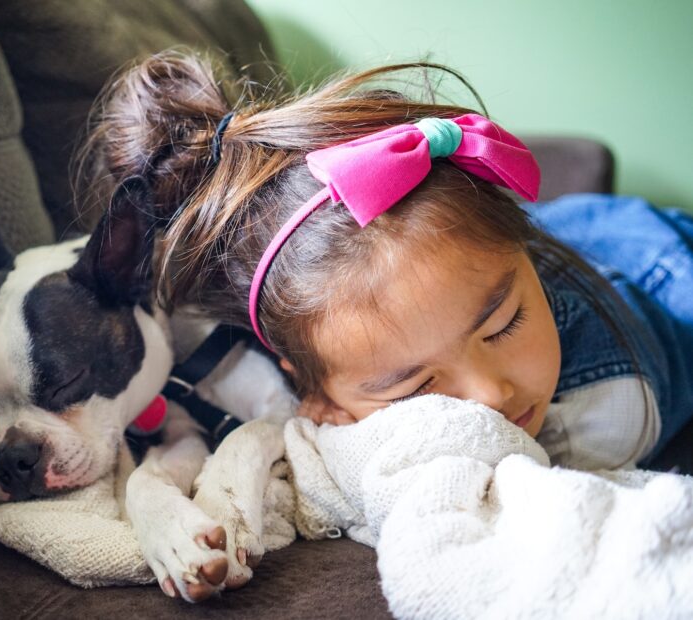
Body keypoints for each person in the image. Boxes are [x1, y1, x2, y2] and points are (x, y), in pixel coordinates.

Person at [78, 50, 693, 471]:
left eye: (504, 323)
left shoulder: (613, 409)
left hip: (655, 260)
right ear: (313, 391)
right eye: (414, 386)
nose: (491, 394)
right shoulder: (313, 325)